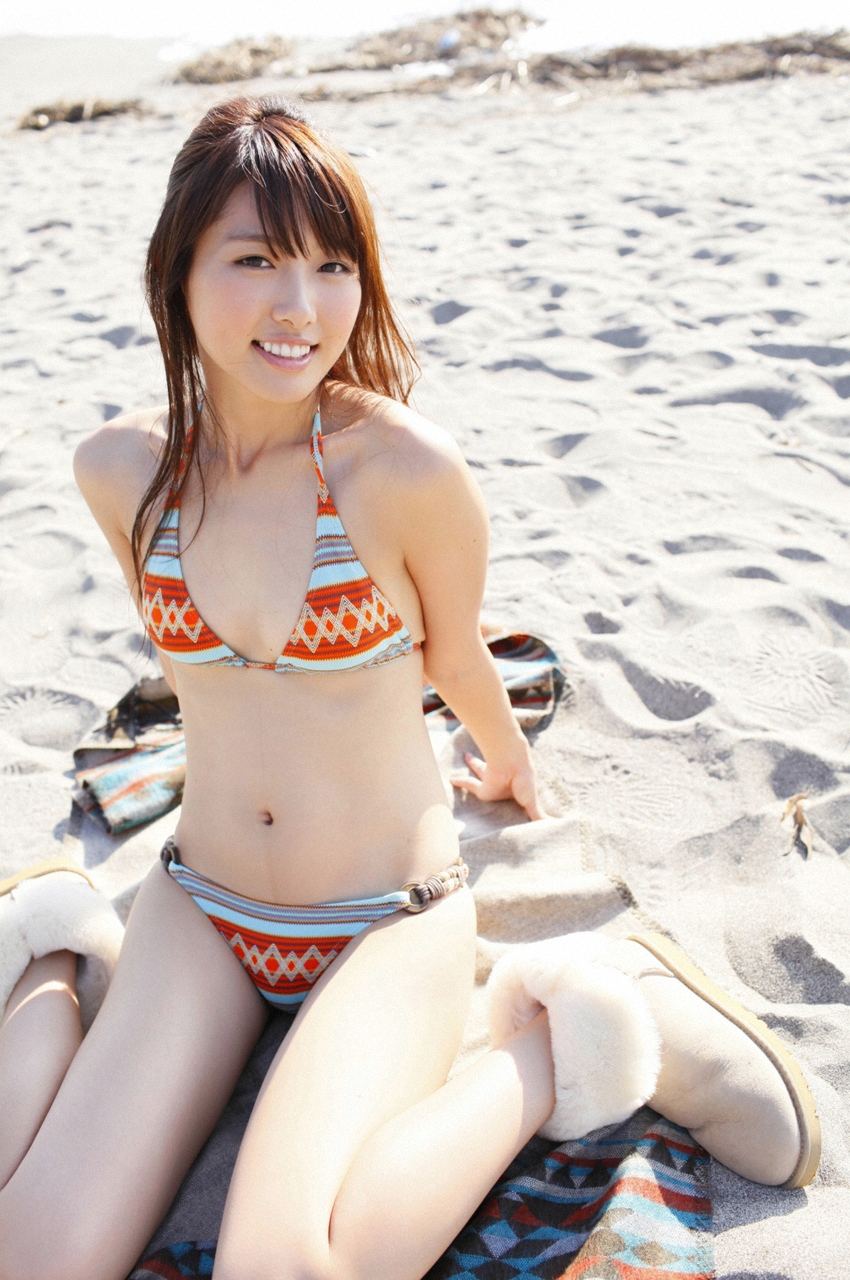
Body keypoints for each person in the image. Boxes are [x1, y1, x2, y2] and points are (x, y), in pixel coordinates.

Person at [0, 97, 818, 1280]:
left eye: (333, 266)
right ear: (177, 269)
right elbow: (202, 676)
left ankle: (573, 1017)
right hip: (199, 904)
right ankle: (55, 953)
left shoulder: (402, 469)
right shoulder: (121, 470)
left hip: (385, 911)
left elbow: (451, 652)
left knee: (284, 1267)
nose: (300, 305)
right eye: (256, 260)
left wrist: (508, 758)